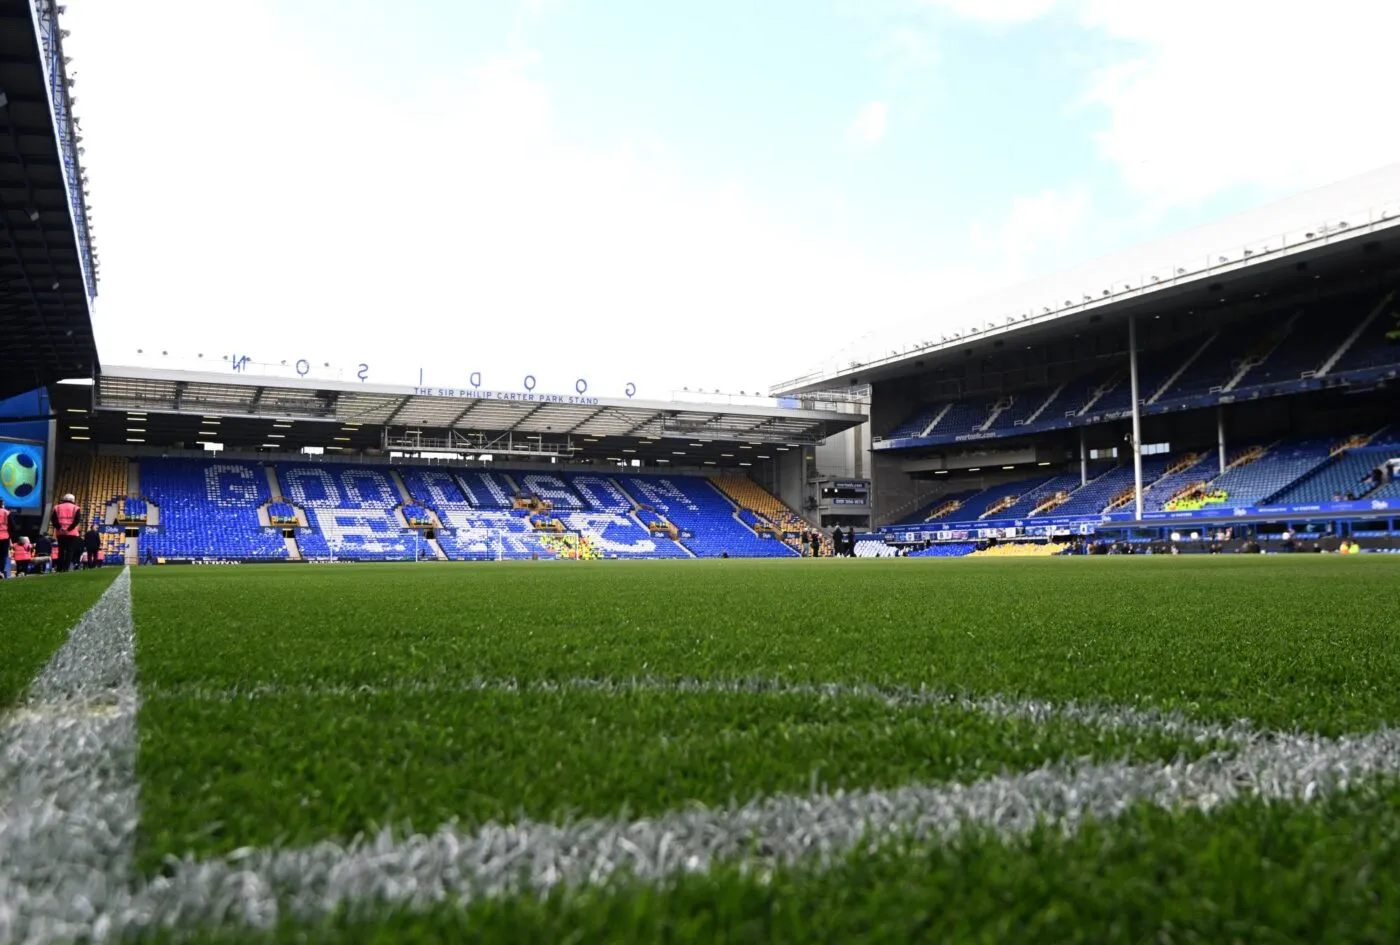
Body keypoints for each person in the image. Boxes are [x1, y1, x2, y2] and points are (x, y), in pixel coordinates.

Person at [50, 493, 84, 572]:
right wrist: (68, 529)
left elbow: (53, 519)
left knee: (61, 550)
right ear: (73, 500)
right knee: (70, 550)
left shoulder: (57, 507)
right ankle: (66, 568)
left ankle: (59, 568)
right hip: (71, 533)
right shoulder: (76, 508)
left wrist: (60, 528)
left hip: (60, 532)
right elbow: (77, 520)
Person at [0, 498, 10, 580]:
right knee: (3, 555)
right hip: (4, 537)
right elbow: (12, 526)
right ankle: (1, 571)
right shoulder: (6, 512)